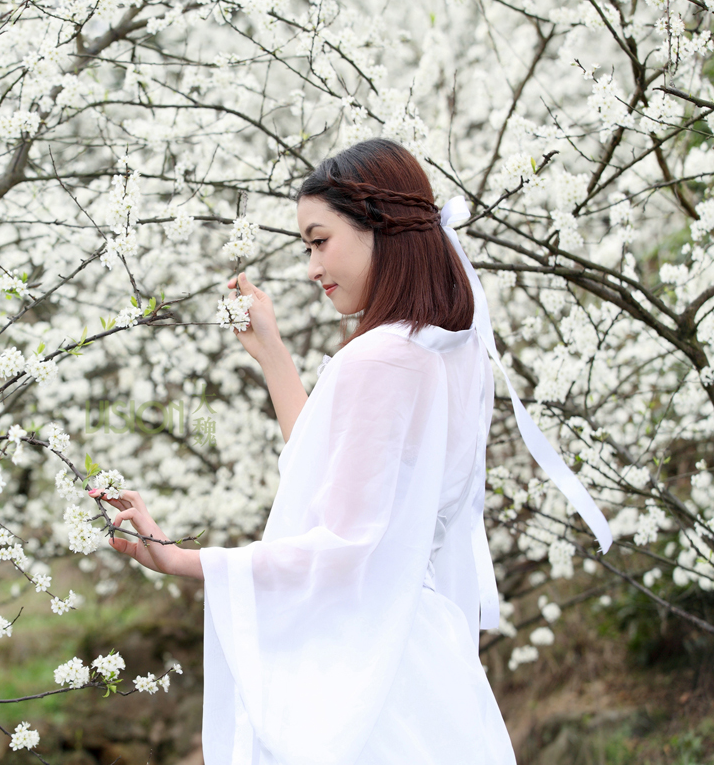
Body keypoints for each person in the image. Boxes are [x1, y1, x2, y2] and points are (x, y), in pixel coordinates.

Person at [88, 137, 614, 764]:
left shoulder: (380, 356)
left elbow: (342, 544)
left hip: (372, 673)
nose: (312, 267)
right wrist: (273, 356)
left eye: (319, 240)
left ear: (381, 227)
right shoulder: (450, 346)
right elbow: (335, 476)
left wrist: (183, 560)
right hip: (425, 660)